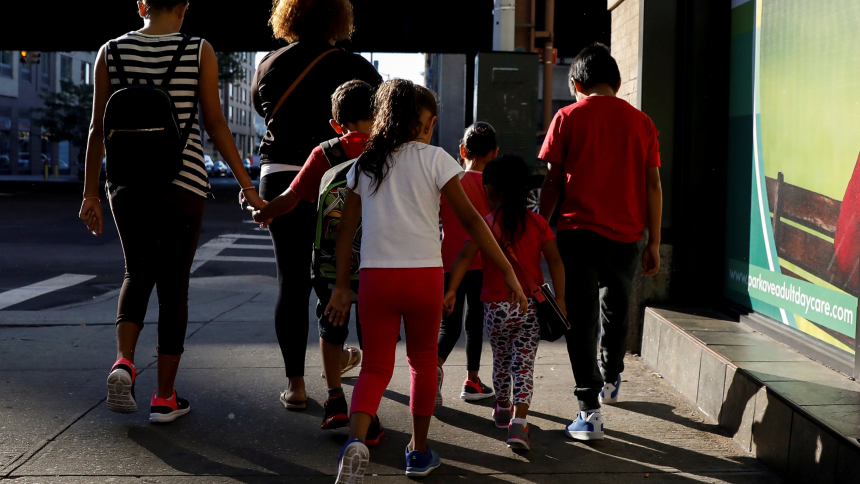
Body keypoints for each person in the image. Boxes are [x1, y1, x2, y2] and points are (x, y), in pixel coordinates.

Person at [324, 79, 528, 482]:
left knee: (375, 368)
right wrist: (506, 268)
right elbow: (472, 220)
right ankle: (418, 452)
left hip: (376, 279)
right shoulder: (437, 160)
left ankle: (355, 442)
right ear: (428, 123)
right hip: (423, 278)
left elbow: (346, 232)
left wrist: (342, 286)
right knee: (422, 362)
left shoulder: (365, 164)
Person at [78, 0, 265, 423]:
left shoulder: (110, 51)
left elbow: (96, 129)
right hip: (183, 182)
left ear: (141, 4)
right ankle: (164, 397)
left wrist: (90, 194)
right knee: (174, 285)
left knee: (137, 272)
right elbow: (215, 122)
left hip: (126, 184)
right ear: (184, 6)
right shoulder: (199, 50)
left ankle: (123, 362)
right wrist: (247, 185)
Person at [251, 0, 382, 410]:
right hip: (341, 179)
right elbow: (382, 116)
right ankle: (335, 360)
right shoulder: (357, 67)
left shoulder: (269, 64)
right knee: (334, 274)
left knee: (291, 280)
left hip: (280, 173)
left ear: (288, 16)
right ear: (338, 18)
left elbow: (262, 109)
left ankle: (296, 384)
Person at [539, 43, 662, 441]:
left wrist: (539, 228)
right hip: (627, 237)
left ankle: (588, 409)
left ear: (575, 84)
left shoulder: (567, 117)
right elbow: (653, 185)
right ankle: (611, 375)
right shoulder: (642, 122)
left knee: (581, 318)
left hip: (578, 234)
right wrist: (655, 243)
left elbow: (553, 181)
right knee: (617, 305)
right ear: (619, 83)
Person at [445, 154, 565, 452]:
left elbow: (463, 258)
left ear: (490, 190)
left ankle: (501, 407)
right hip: (529, 307)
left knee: (501, 359)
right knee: (523, 364)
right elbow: (556, 261)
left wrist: (451, 290)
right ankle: (519, 423)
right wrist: (561, 299)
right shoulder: (537, 223)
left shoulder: (483, 224)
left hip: (495, 308)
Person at [436, 122, 498, 407]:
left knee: (449, 326)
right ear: (494, 153)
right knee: (475, 324)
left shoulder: (450, 181)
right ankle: (472, 381)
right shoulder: (492, 188)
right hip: (481, 264)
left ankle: (432, 369)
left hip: (448, 263)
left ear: (462, 150)